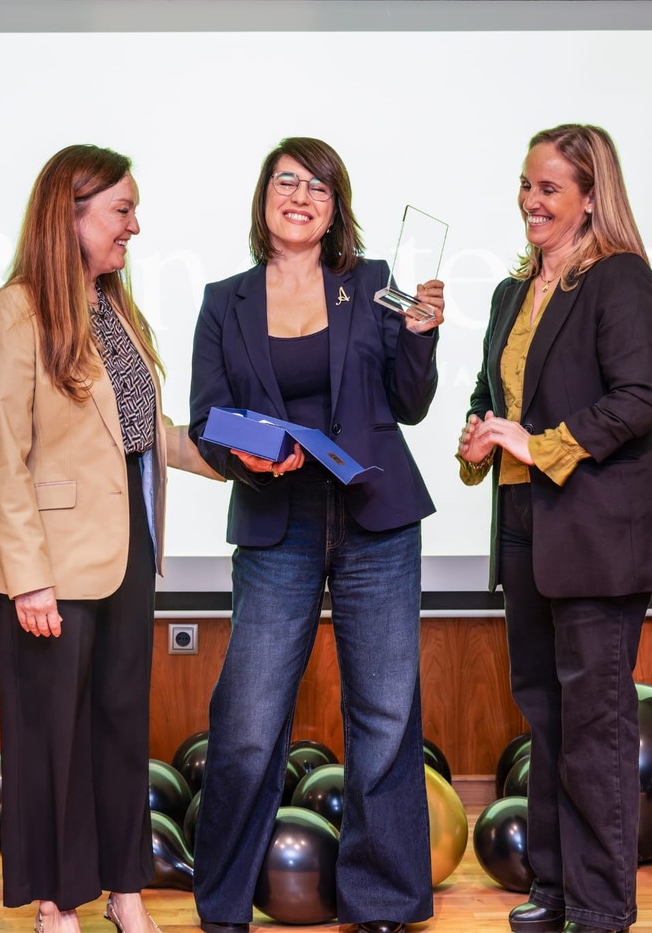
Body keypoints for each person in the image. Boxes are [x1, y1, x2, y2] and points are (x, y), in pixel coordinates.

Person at [187, 137, 444, 933]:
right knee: (248, 721)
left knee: (386, 716)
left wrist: (422, 333)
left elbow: (409, 401)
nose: (300, 195)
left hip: (375, 519)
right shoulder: (222, 298)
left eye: (319, 188)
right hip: (278, 522)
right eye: (286, 180)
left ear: (337, 209)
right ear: (264, 196)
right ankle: (224, 903)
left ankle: (384, 903)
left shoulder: (372, 285)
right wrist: (251, 454)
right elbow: (207, 418)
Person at [0, 144, 214, 933]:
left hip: (129, 551)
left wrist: (230, 457)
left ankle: (124, 887)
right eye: (121, 211)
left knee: (119, 729)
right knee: (53, 742)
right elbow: (3, 458)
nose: (135, 227)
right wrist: (28, 577)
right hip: (50, 564)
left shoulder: (114, 308)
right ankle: (55, 900)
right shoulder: (15, 310)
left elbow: (142, 434)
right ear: (67, 216)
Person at [457, 124, 652, 933]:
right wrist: (480, 438)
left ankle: (601, 903)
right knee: (546, 721)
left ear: (591, 195)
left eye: (549, 187)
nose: (530, 201)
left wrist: (535, 442)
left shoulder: (620, 280)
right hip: (524, 526)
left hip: (598, 533)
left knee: (595, 725)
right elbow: (492, 400)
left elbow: (637, 399)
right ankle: (554, 887)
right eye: (525, 184)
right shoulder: (510, 292)